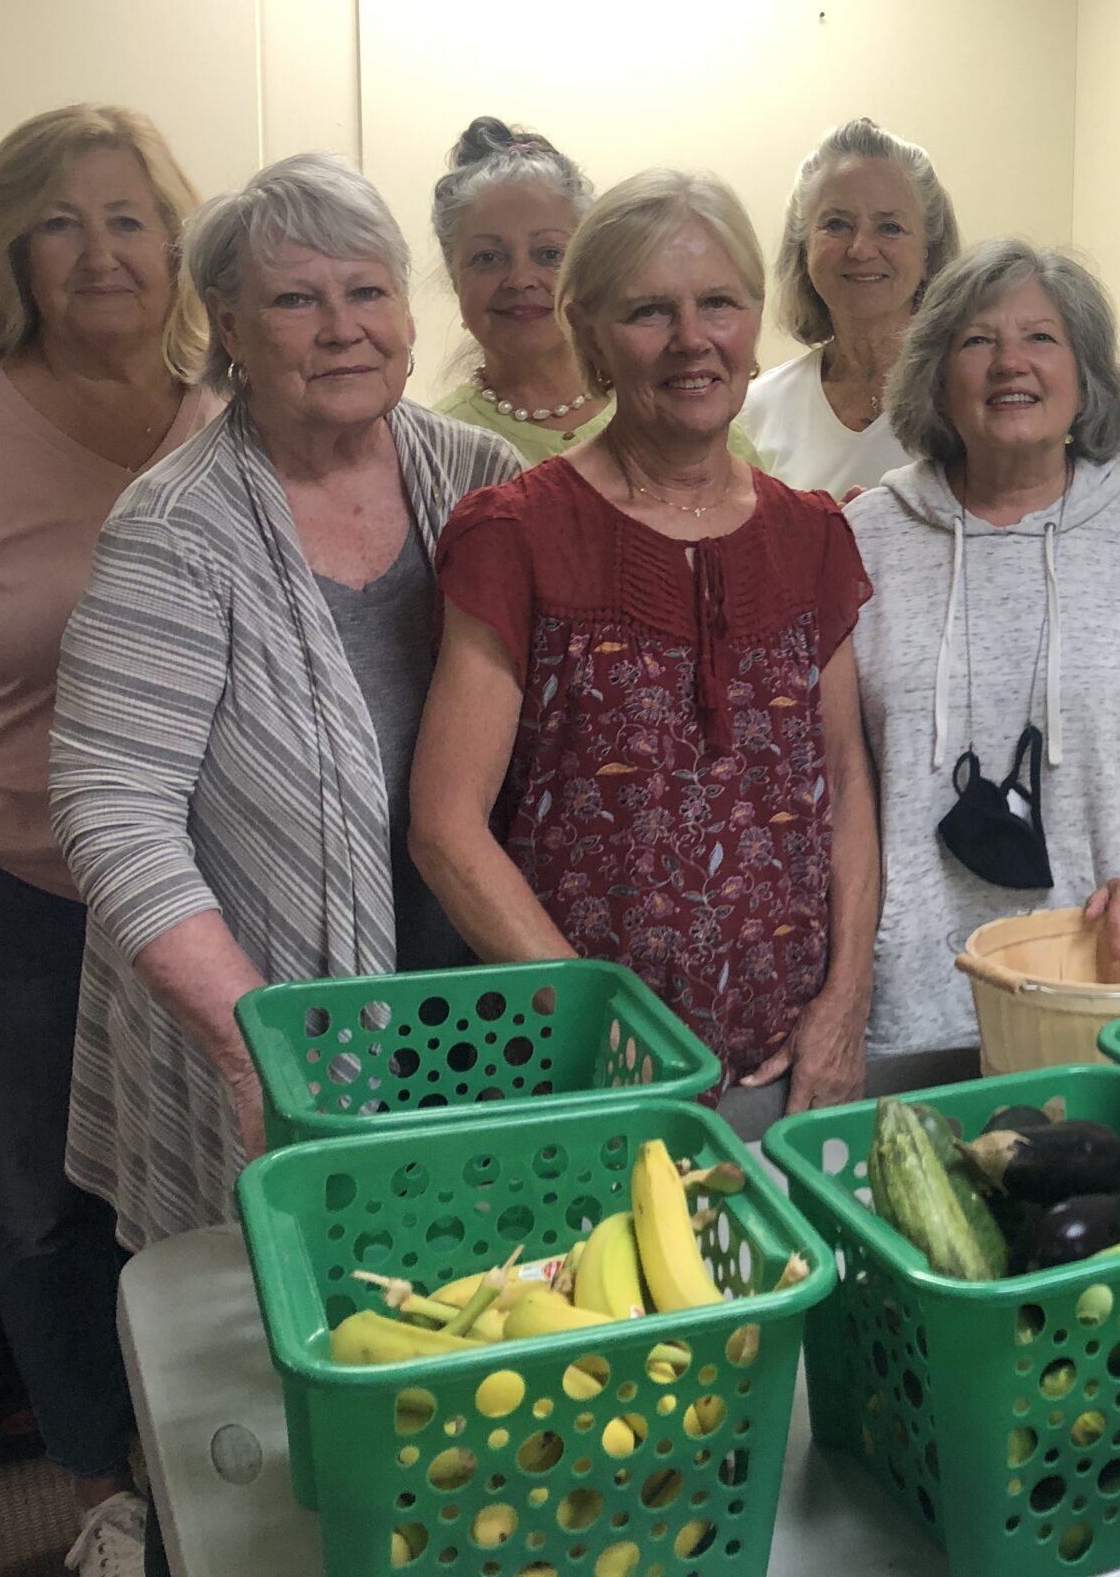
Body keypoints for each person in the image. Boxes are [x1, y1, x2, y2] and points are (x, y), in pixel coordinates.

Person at [48, 154, 519, 1254]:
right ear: (229, 325)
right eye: (296, 300)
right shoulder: (177, 530)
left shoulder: (480, 475)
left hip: (475, 1002)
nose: (342, 327)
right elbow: (113, 809)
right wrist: (256, 1050)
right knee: (292, 1326)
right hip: (271, 1010)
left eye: (367, 291)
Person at [411, 169, 879, 1128]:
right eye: (648, 312)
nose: (692, 340)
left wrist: (844, 1000)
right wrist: (600, 1032)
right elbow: (446, 830)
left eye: (719, 304)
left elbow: (845, 784)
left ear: (755, 320)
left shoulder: (812, 536)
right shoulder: (517, 535)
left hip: (782, 1063)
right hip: (574, 1067)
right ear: (587, 332)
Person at [0, 105, 221, 1572]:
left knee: (214, 1170)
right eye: (62, 220)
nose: (101, 251)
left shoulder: (239, 405)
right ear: (11, 252)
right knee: (47, 1200)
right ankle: (97, 1470)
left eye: (130, 218)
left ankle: (221, 1442)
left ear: (179, 245)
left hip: (212, 888)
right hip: (15, 888)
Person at [845, 240, 1120, 1089]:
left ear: (1086, 377)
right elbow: (838, 781)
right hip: (916, 999)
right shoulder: (866, 539)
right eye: (976, 341)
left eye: (1041, 338)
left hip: (1116, 987)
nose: (1010, 364)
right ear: (935, 375)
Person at [427, 116, 764, 470]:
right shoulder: (435, 450)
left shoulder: (684, 414)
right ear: (454, 276)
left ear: (588, 271)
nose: (520, 279)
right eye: (488, 258)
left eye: (549, 254)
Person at [735, 117, 960, 495]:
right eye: (837, 224)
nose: (860, 249)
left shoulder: (968, 395)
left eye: (889, 227)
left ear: (928, 253)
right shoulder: (754, 412)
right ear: (803, 246)